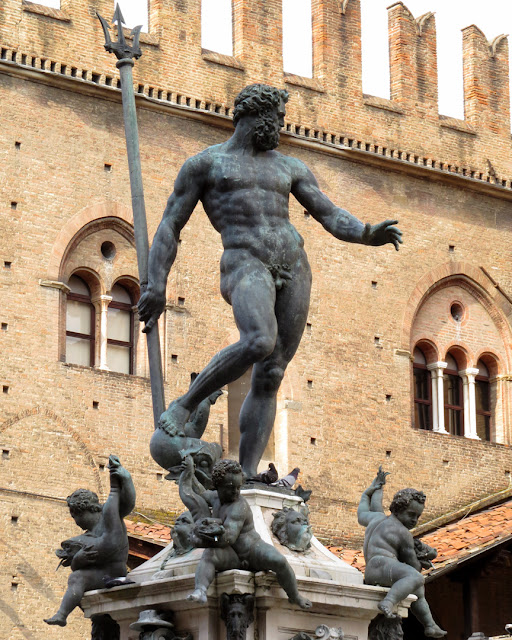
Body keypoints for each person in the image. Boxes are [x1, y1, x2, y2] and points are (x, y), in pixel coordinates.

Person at [138, 83, 403, 478]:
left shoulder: (290, 168)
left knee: (273, 371)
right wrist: (156, 284)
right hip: (246, 263)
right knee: (259, 340)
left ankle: (246, 477)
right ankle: (186, 404)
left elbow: (330, 215)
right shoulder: (206, 165)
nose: (280, 126)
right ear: (252, 116)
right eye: (276, 119)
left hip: (294, 265)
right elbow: (170, 225)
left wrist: (365, 233)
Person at [178, 455, 311, 609]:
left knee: (279, 561)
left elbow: (228, 537)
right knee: (209, 555)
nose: (235, 491)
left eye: (238, 487)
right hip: (232, 555)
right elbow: (199, 492)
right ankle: (200, 590)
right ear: (218, 486)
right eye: (230, 487)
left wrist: (199, 540)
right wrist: (189, 472)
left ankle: (295, 595)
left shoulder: (238, 506)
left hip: (252, 550)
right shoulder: (215, 498)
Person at [44, 455, 136, 627]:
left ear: (86, 509)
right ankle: (62, 614)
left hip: (116, 570)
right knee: (77, 578)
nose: (76, 521)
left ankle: (63, 614)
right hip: (100, 575)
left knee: (77, 576)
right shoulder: (85, 537)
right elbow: (80, 563)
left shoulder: (109, 516)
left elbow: (128, 502)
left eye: (75, 516)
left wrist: (126, 478)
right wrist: (78, 560)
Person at [357, 468, 446, 638]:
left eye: (417, 517)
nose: (414, 520)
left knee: (418, 590)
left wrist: (372, 491)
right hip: (384, 567)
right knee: (417, 579)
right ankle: (389, 602)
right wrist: (422, 559)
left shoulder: (376, 518)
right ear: (398, 510)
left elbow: (362, 512)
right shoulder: (403, 533)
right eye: (411, 514)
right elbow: (413, 566)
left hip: (373, 570)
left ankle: (430, 625)